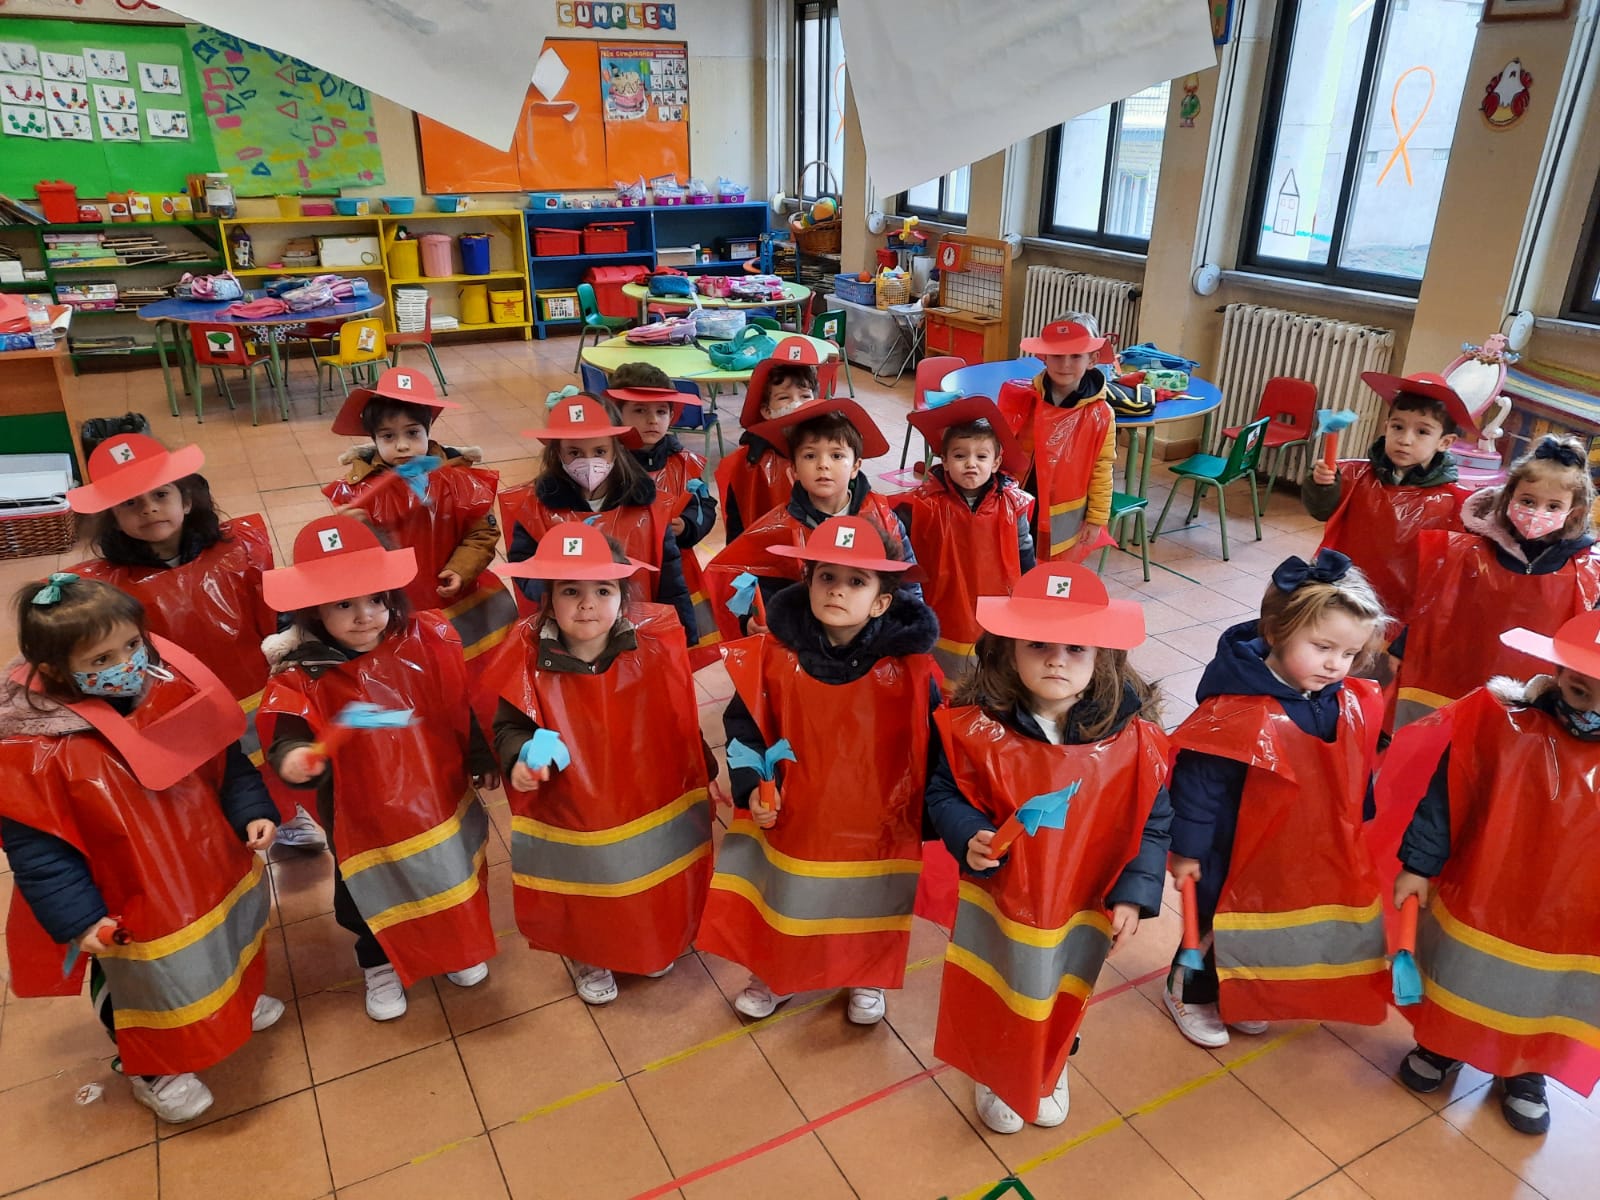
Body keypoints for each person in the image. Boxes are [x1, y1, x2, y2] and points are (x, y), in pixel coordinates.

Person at [0, 575, 282, 1123]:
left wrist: (252, 811)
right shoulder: (32, 748)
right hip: (130, 900)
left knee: (227, 942)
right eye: (102, 656)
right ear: (57, 670)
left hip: (208, 870)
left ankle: (234, 1001)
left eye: (132, 645)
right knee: (145, 985)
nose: (127, 661)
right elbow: (38, 851)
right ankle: (153, 1069)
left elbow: (224, 761)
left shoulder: (167, 684)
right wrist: (80, 920)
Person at [926, 562, 1170, 1134]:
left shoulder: (1132, 737)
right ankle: (999, 1064)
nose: (1056, 659)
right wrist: (967, 833)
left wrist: (1135, 892)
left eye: (1075, 647)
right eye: (1038, 644)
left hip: (1085, 897)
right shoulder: (976, 725)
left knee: (1063, 980)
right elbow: (943, 791)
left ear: (1104, 656)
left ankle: (1050, 1059)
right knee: (1003, 978)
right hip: (1005, 894)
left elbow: (1155, 817)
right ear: (1010, 650)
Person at [700, 517, 939, 1025]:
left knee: (866, 895)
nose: (838, 590)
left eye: (857, 581)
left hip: (874, 817)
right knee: (785, 894)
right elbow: (744, 726)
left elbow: (933, 742)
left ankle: (865, 972)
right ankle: (774, 971)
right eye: (827, 577)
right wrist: (749, 788)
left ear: (881, 601)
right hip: (792, 811)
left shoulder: (911, 669)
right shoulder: (772, 657)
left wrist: (929, 814)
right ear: (807, 583)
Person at [258, 516, 498, 1022]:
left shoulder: (424, 640)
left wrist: (479, 756)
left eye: (374, 599)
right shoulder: (303, 674)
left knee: (447, 872)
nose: (364, 616)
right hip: (360, 815)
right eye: (343, 604)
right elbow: (288, 737)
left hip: (434, 796)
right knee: (366, 891)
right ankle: (378, 961)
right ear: (313, 610)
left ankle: (453, 943)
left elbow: (460, 704)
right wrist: (296, 760)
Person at [1384, 610, 1600, 1136]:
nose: (1587, 689)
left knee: (1544, 994)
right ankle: (1441, 1043)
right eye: (1578, 675)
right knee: (1462, 973)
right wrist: (1419, 864)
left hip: (1570, 912)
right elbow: (1447, 796)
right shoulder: (1504, 722)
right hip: (1482, 885)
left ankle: (1526, 1069)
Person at [481, 522, 714, 1006]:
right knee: (589, 877)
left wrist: (704, 766)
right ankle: (591, 953)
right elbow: (508, 726)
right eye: (571, 591)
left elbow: (678, 715)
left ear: (623, 598)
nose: (587, 603)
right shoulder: (525, 655)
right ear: (547, 600)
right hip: (572, 801)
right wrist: (520, 758)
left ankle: (649, 940)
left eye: (603, 590)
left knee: (650, 868)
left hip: (643, 792)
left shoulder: (652, 647)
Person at [1164, 550, 1391, 1047]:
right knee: (1215, 921)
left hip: (1295, 842)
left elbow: (1354, 762)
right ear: (1276, 632)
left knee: (1267, 923)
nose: (1336, 665)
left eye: (1349, 655)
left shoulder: (1342, 696)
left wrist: (1358, 818)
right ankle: (1191, 989)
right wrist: (1187, 849)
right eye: (1322, 647)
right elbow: (1199, 784)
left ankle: (1244, 992)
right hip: (1226, 845)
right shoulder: (1236, 704)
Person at [64, 432, 326, 850]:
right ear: (112, 517)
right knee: (212, 768)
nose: (149, 508)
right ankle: (230, 823)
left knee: (271, 758)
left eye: (160, 494)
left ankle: (287, 818)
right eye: (130, 502)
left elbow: (275, 609)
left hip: (255, 691)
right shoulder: (104, 585)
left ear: (186, 500)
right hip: (177, 705)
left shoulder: (239, 550)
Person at [1391, 434, 1600, 729]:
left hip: (1531, 692)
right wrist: (1404, 647)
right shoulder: (1470, 550)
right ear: (1507, 497)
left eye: (1553, 506)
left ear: (1573, 512)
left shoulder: (1587, 572)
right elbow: (1433, 603)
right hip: (1460, 672)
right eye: (1527, 501)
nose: (1537, 513)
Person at [322, 366, 519, 675]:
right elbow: (342, 562)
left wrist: (461, 568)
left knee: (470, 669)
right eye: (388, 436)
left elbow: (482, 532)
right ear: (373, 439)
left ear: (429, 431)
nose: (402, 446)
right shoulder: (356, 492)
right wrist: (350, 531)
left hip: (457, 597)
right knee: (413, 673)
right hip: (395, 608)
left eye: (412, 433)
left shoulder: (459, 480)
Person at [704, 397, 918, 641]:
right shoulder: (779, 528)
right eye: (810, 456)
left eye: (836, 456)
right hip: (804, 648)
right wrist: (751, 620)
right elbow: (753, 586)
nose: (823, 465)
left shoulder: (883, 517)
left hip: (868, 644)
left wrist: (910, 631)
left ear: (856, 466)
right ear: (793, 470)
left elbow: (907, 581)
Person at [505, 393, 695, 636]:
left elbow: (670, 577)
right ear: (557, 453)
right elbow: (523, 563)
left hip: (636, 631)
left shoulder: (649, 507)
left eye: (600, 451)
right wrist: (553, 592)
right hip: (570, 630)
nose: (589, 461)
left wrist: (682, 633)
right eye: (574, 453)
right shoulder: (535, 509)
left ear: (617, 449)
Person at [1301, 371, 1474, 625]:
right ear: (1386, 427)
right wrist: (1322, 485)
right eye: (1398, 427)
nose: (1405, 440)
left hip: (1404, 606)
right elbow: (1321, 510)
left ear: (1445, 442)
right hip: (1349, 589)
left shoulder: (1452, 500)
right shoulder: (1353, 474)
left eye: (1422, 432)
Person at [895, 396, 1036, 686]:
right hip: (944, 608)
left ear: (996, 462)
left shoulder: (1013, 504)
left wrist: (1031, 595)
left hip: (997, 607)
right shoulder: (920, 506)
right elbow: (901, 558)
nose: (971, 464)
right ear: (944, 461)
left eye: (981, 457)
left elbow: (1024, 550)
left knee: (995, 673)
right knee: (949, 679)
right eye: (960, 456)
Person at [1000, 318, 1132, 562]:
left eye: (1075, 356)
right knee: (1014, 569)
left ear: (1092, 359)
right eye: (1058, 355)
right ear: (1044, 356)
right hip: (1020, 504)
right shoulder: (1023, 399)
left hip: (1064, 517)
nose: (1065, 364)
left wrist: (1096, 519)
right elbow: (1001, 451)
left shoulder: (1101, 415)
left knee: (1053, 581)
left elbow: (1102, 469)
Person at [714, 337, 836, 541]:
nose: (796, 404)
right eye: (784, 398)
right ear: (766, 411)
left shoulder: (833, 446)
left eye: (805, 396)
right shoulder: (752, 461)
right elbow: (738, 523)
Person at [606, 363, 718, 551]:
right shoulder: (606, 462)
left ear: (671, 415)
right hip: (621, 561)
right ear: (617, 414)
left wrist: (687, 525)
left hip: (673, 564)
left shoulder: (683, 462)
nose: (653, 420)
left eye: (661, 411)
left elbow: (703, 506)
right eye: (640, 410)